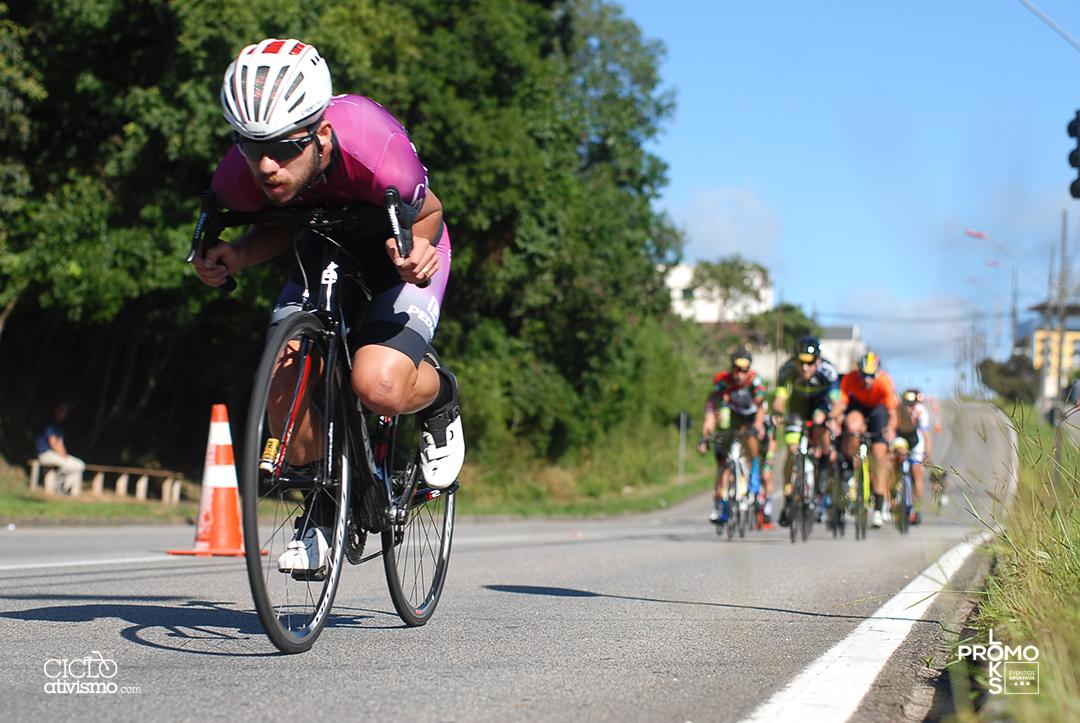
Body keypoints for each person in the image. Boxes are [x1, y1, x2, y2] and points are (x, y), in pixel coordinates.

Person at [193, 39, 465, 573]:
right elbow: (272, 225)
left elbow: (429, 210)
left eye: (284, 147)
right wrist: (233, 256)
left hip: (400, 244)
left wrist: (417, 253)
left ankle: (441, 398)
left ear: (319, 134)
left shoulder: (372, 144)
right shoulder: (239, 172)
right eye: (251, 146)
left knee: (377, 387)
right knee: (281, 390)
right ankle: (324, 505)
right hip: (324, 247)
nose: (267, 165)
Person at [772, 335, 843, 526]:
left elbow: (838, 403)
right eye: (801, 362)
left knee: (820, 420)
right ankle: (788, 498)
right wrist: (778, 412)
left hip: (820, 405)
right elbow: (780, 398)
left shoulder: (828, 371)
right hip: (797, 407)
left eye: (809, 363)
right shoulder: (787, 370)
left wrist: (832, 418)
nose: (804, 368)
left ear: (817, 361)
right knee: (793, 450)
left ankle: (825, 465)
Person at [697, 348, 767, 526]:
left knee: (751, 442)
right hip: (732, 416)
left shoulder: (754, 380)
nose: (740, 374)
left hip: (750, 416)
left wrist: (758, 425)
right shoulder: (722, 381)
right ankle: (721, 504)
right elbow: (713, 409)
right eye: (737, 369)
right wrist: (706, 437)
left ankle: (755, 476)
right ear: (731, 368)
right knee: (724, 462)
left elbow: (761, 405)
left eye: (744, 370)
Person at [838, 352, 898, 529]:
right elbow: (841, 404)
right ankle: (849, 467)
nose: (867, 380)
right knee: (851, 428)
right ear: (858, 372)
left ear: (877, 374)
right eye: (864, 375)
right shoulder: (850, 379)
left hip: (878, 410)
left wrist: (891, 429)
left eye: (871, 376)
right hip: (857, 406)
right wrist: (835, 418)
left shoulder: (885, 382)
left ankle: (879, 507)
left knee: (880, 456)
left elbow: (893, 414)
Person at [896, 388, 932, 524]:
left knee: (916, 475)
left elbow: (927, 436)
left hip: (915, 441)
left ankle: (916, 508)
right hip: (901, 439)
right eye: (906, 404)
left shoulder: (921, 412)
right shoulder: (897, 409)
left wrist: (927, 455)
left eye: (911, 404)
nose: (908, 407)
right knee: (897, 457)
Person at [34, 403, 86, 495]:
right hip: (45, 453)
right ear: (55, 410)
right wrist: (64, 458)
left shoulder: (59, 425)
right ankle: (58, 487)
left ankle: (65, 487)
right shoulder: (49, 423)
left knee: (80, 465)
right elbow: (53, 443)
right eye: (61, 410)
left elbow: (60, 443)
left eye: (65, 411)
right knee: (68, 466)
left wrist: (65, 456)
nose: (63, 413)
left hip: (56, 454)